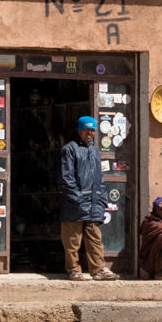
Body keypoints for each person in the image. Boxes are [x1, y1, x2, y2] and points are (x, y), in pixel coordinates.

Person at [59, 115, 117, 280]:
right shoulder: (69, 149)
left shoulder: (94, 151)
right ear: (80, 130)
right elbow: (66, 178)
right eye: (87, 130)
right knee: (72, 240)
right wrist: (77, 198)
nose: (90, 133)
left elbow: (100, 177)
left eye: (92, 130)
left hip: (94, 203)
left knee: (95, 238)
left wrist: (102, 197)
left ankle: (99, 269)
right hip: (74, 204)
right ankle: (74, 270)